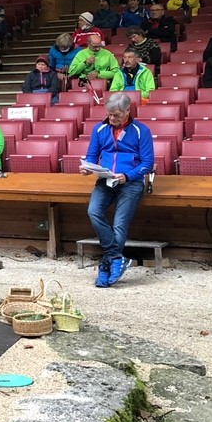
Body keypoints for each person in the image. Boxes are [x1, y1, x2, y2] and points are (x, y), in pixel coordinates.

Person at [81, 92, 154, 288]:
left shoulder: (141, 131)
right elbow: (91, 156)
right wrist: (88, 168)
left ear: (127, 111)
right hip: (106, 180)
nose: (112, 118)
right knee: (93, 211)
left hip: (131, 182)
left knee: (119, 224)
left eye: (117, 115)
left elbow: (147, 163)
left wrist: (127, 176)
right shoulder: (99, 129)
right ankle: (116, 258)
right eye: (110, 114)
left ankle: (106, 266)